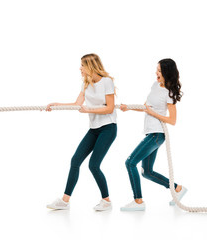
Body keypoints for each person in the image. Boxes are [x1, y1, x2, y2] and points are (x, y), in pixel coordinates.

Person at [46, 53, 117, 211]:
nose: (80, 68)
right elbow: (77, 104)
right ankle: (64, 201)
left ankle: (106, 201)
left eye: (82, 65)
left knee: (93, 165)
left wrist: (89, 110)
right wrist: (57, 104)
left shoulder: (107, 82)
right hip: (94, 129)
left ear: (90, 66)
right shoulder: (85, 83)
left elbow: (110, 108)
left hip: (108, 128)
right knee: (75, 161)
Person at [120, 58, 187, 211]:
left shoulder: (169, 93)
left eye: (159, 70)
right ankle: (177, 189)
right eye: (156, 69)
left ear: (166, 72)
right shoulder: (155, 86)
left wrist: (153, 113)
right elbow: (146, 107)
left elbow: (172, 120)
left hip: (157, 134)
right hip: (150, 133)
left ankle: (138, 202)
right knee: (147, 172)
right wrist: (128, 107)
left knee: (130, 163)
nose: (155, 73)